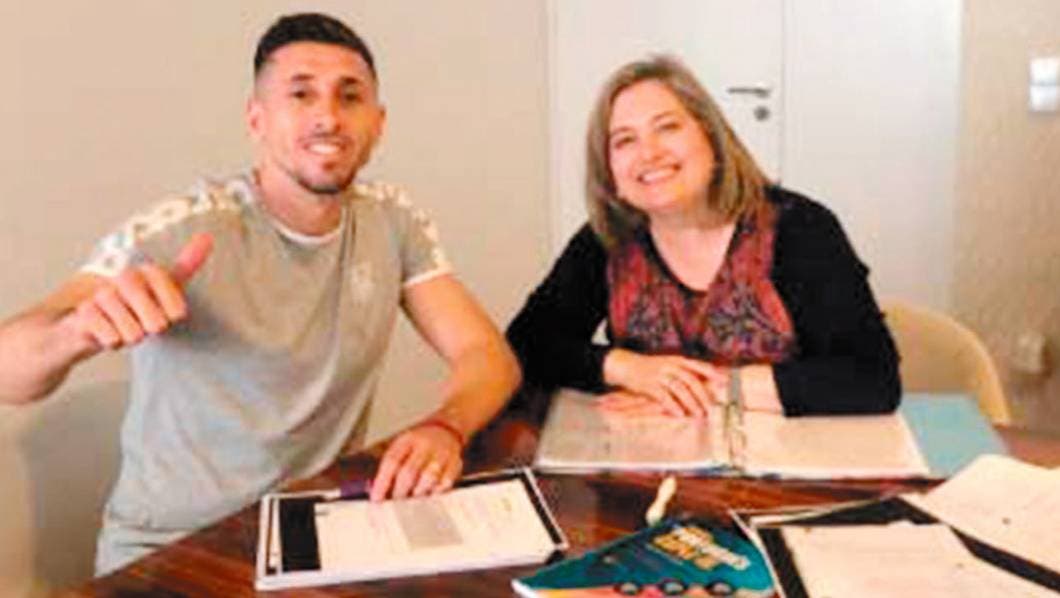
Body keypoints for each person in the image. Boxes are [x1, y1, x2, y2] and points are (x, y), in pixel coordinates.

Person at [0, 13, 519, 574]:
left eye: (349, 97)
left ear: (378, 123)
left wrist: (445, 425)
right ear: (257, 120)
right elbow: (8, 371)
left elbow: (487, 356)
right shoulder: (183, 228)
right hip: (172, 549)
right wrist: (76, 331)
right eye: (301, 94)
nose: (328, 116)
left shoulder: (393, 222)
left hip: (317, 531)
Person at [507, 55, 899, 419]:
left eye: (667, 127)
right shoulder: (607, 238)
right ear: (610, 173)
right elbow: (528, 344)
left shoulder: (800, 228)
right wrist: (630, 369)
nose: (649, 153)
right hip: (650, 454)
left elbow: (871, 379)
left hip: (785, 456)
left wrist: (705, 390)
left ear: (711, 137)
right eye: (625, 140)